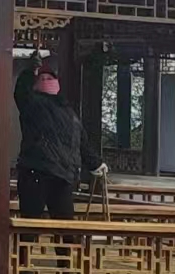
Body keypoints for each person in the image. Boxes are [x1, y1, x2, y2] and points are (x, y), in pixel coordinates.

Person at [14, 63, 107, 219]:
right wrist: (30, 70)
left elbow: (80, 142)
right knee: (46, 223)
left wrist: (96, 163)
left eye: (49, 78)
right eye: (42, 78)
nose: (46, 81)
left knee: (58, 224)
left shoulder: (67, 111)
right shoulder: (34, 104)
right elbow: (21, 92)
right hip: (40, 172)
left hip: (57, 174)